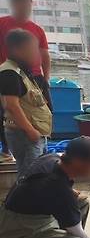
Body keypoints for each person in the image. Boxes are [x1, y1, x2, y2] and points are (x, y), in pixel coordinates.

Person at [0, 29, 52, 177]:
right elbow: (11, 105)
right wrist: (30, 130)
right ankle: (23, 200)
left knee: (36, 171)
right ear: (17, 50)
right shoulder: (9, 72)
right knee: (30, 175)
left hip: (33, 133)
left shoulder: (21, 71)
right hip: (24, 134)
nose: (36, 55)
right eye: (32, 50)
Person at [0, 0, 52, 110]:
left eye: (27, 5)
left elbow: (45, 55)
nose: (25, 9)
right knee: (11, 111)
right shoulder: (2, 24)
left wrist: (46, 78)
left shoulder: (37, 29)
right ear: (14, 5)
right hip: (10, 75)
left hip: (35, 77)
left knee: (45, 111)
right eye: (21, 5)